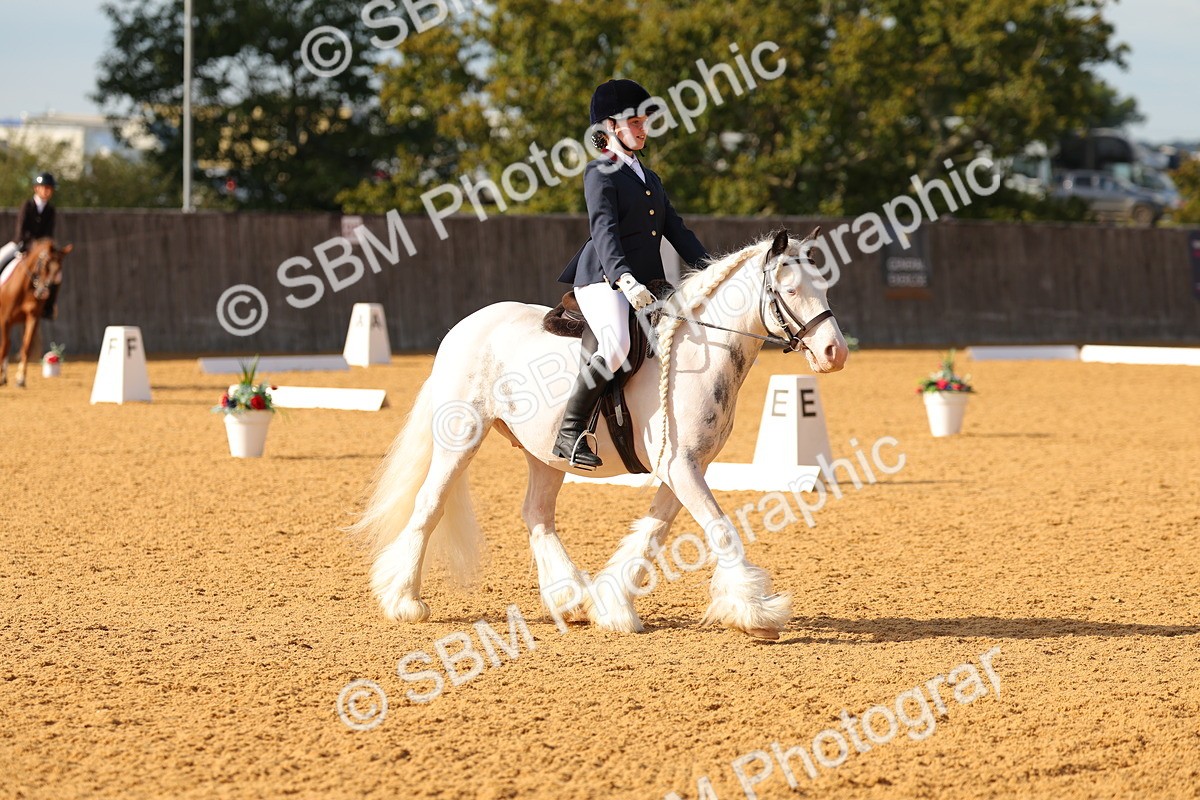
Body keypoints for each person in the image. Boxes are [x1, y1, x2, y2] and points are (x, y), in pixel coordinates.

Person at [553, 79, 710, 470]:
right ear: (609, 127)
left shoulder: (650, 179)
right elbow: (603, 230)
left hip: (647, 281)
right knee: (618, 344)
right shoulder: (600, 173)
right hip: (604, 278)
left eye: (644, 122)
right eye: (635, 122)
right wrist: (623, 278)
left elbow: (678, 231)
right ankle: (569, 432)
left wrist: (713, 271)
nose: (643, 129)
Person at [0, 172, 60, 317]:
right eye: (44, 188)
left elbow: (48, 233)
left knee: (57, 275)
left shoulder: (51, 210)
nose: (47, 191)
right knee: (0, 258)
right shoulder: (27, 205)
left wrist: (44, 247)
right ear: (36, 189)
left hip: (41, 250)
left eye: (49, 188)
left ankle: (48, 307)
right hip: (20, 244)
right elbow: (21, 230)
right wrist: (31, 245)